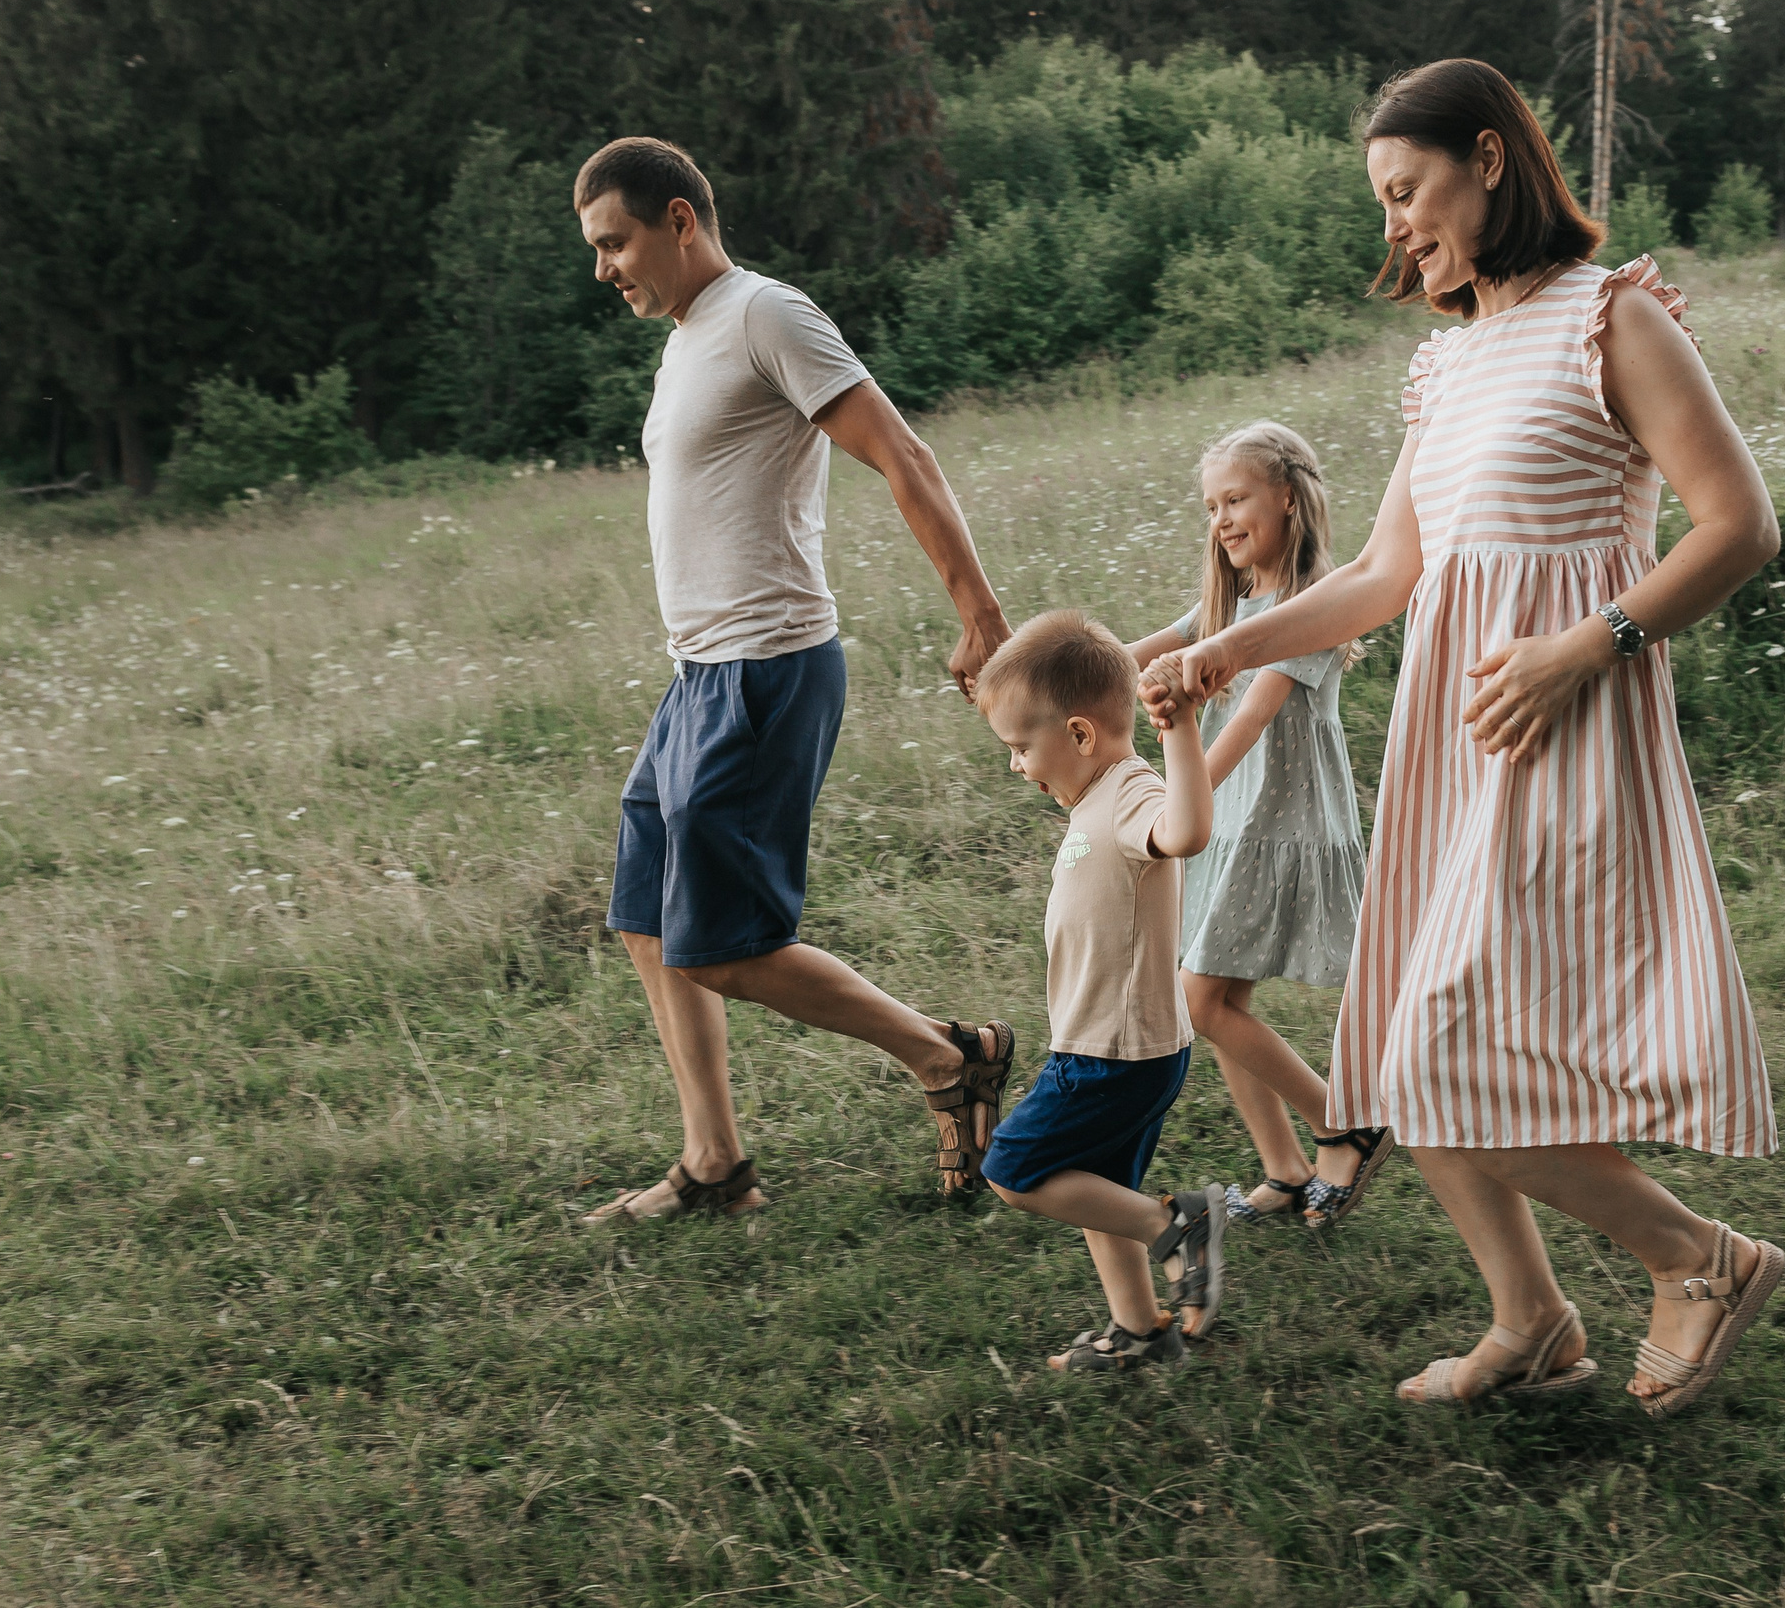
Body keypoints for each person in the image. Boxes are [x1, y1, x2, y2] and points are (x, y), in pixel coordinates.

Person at [1144, 59, 1785, 1416]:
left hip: (1566, 723)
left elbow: (1741, 525)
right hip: (1457, 740)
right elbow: (1382, 576)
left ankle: (1696, 1256)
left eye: (1408, 189)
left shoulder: (1612, 321)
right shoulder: (1445, 365)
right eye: (1381, 202)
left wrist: (1587, 643)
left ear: (1491, 158)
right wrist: (1221, 650)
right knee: (1395, 1039)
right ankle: (1532, 1317)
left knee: (1438, 1052)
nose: (1393, 224)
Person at [570, 136, 1017, 1224]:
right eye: (594, 249)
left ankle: (946, 1056)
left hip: (768, 669)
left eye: (615, 241)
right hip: (700, 676)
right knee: (645, 911)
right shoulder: (686, 340)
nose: (604, 269)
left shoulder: (767, 313)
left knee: (725, 946)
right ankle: (714, 1164)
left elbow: (901, 455)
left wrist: (980, 614)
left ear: (680, 219)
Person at [1126, 421, 1391, 1229]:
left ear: (1287, 494)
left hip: (1282, 821)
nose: (1222, 519)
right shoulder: (1233, 601)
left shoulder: (1311, 605)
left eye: (1236, 498)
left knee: (1201, 998)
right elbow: (1133, 654)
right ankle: (1283, 1167)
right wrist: (1046, 676)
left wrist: (1173, 803)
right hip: (1234, 821)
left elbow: (1247, 723)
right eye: (1211, 506)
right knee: (1217, 990)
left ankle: (1344, 1121)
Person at [973, 609, 1227, 1371]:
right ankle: (1140, 1330)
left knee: (1014, 1169)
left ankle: (1177, 1227)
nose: (1018, 765)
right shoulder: (1098, 797)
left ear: (1081, 735)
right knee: (1099, 1186)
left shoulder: (1128, 792)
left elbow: (1185, 832)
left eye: (1022, 747)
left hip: (1113, 1052)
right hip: (1120, 1042)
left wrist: (1180, 728)